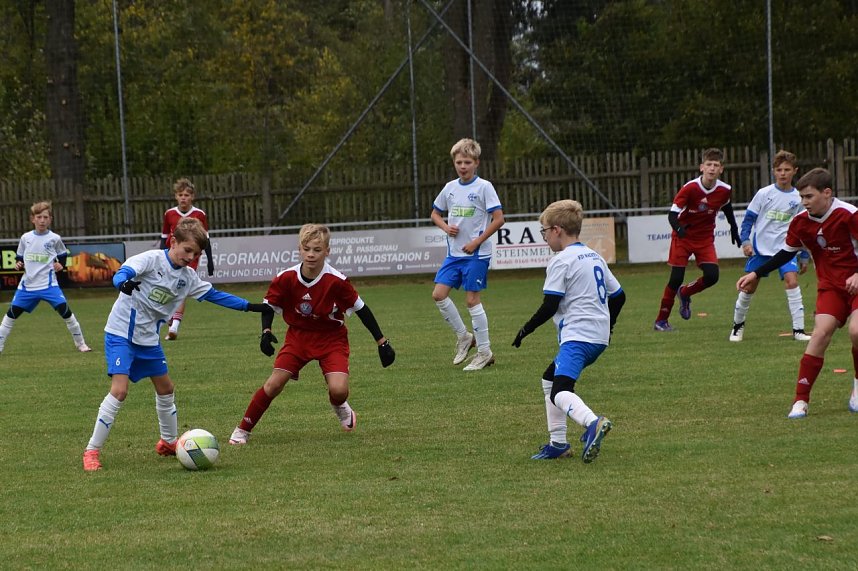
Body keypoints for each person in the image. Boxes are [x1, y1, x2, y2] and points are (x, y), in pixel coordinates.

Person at [82, 217, 272, 471]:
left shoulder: (188, 278)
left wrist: (250, 307)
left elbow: (215, 295)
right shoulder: (151, 260)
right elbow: (124, 272)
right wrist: (123, 283)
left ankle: (169, 442)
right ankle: (92, 451)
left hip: (148, 340)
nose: (190, 257)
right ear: (173, 242)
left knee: (166, 388)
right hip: (121, 335)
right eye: (187, 250)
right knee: (120, 391)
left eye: (195, 254)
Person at [228, 223, 395, 445]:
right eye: (306, 249)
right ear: (299, 249)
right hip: (298, 337)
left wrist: (381, 342)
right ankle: (243, 430)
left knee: (339, 390)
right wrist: (266, 331)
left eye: (317, 250)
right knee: (273, 384)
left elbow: (361, 309)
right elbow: (269, 307)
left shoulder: (337, 281)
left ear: (327, 251)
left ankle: (340, 406)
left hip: (331, 338)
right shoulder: (286, 278)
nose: (311, 254)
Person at [737, 168, 858, 419]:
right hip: (830, 287)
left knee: (856, 331)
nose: (803, 202)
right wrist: (756, 273)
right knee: (820, 334)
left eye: (809, 196)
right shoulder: (801, 222)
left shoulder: (849, 215)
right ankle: (800, 401)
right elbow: (786, 253)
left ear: (827, 193)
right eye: (802, 197)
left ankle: (857, 387)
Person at [512, 200, 625, 463]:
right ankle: (558, 444)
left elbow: (550, 304)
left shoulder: (561, 261)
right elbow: (619, 296)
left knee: (560, 390)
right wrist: (608, 328)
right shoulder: (594, 255)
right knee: (549, 379)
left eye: (544, 231)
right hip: (596, 338)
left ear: (557, 230)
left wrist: (525, 329)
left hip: (578, 337)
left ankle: (593, 422)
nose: (544, 237)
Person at [430, 138, 505, 370]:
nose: (463, 166)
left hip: (476, 254)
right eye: (459, 162)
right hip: (454, 255)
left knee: (472, 300)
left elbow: (499, 219)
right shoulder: (450, 188)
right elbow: (435, 213)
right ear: (454, 163)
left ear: (476, 163)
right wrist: (445, 227)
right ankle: (464, 336)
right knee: (438, 294)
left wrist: (476, 242)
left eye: (467, 162)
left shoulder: (484, 187)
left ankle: (484, 352)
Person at [654, 148, 741, 331]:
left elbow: (726, 206)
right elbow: (672, 215)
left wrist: (734, 228)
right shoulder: (690, 188)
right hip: (683, 236)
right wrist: (679, 229)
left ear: (721, 169)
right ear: (701, 167)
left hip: (704, 239)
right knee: (676, 278)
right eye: (708, 164)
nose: (712, 168)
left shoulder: (724, 190)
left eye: (715, 165)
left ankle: (685, 293)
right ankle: (661, 321)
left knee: (712, 276)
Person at [730, 150, 811, 342]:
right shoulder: (764, 194)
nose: (783, 173)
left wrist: (804, 255)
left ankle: (799, 330)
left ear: (795, 171)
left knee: (792, 281)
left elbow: (802, 229)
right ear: (774, 171)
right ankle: (737, 327)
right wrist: (746, 241)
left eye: (787, 169)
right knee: (749, 287)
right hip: (761, 250)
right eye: (779, 169)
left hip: (786, 250)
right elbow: (748, 220)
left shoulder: (799, 198)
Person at [0, 201, 91, 355]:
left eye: (45, 217)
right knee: (10, 316)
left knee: (66, 313)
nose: (42, 220)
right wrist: (18, 263)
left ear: (50, 219)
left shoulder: (54, 238)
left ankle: (81, 344)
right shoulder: (25, 238)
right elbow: (20, 256)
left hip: (49, 286)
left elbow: (62, 254)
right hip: (27, 287)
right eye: (39, 217)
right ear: (32, 219)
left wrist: (60, 264)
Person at [159, 178, 215, 340]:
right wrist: (161, 257)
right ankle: (171, 315)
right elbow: (164, 237)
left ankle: (174, 327)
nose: (183, 197)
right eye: (180, 194)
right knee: (168, 287)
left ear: (192, 197)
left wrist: (210, 261)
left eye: (186, 195)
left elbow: (206, 239)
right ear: (176, 196)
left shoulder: (199, 214)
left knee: (180, 287)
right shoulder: (169, 214)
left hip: (190, 258)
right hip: (171, 255)